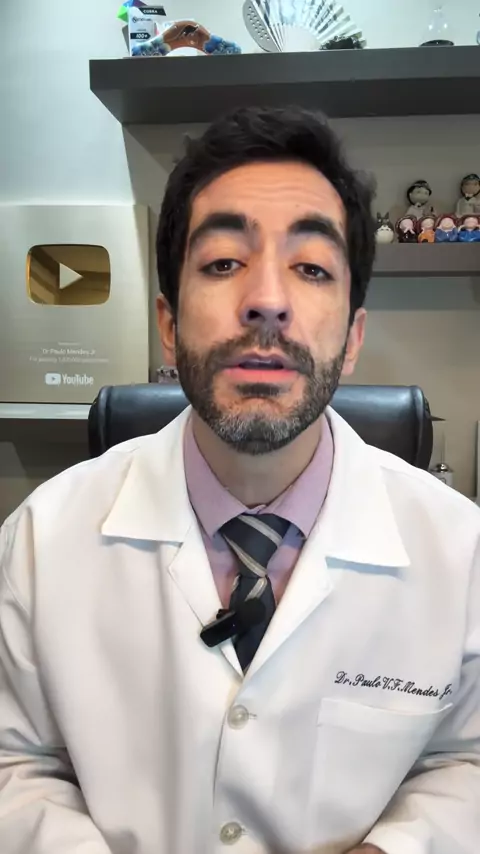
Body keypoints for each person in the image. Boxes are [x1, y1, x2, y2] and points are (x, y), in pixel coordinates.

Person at [0, 106, 479, 854]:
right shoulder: (40, 539)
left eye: (311, 268)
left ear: (352, 337)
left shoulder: (461, 552)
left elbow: (466, 759)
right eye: (223, 262)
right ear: (168, 324)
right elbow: (13, 762)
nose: (267, 300)